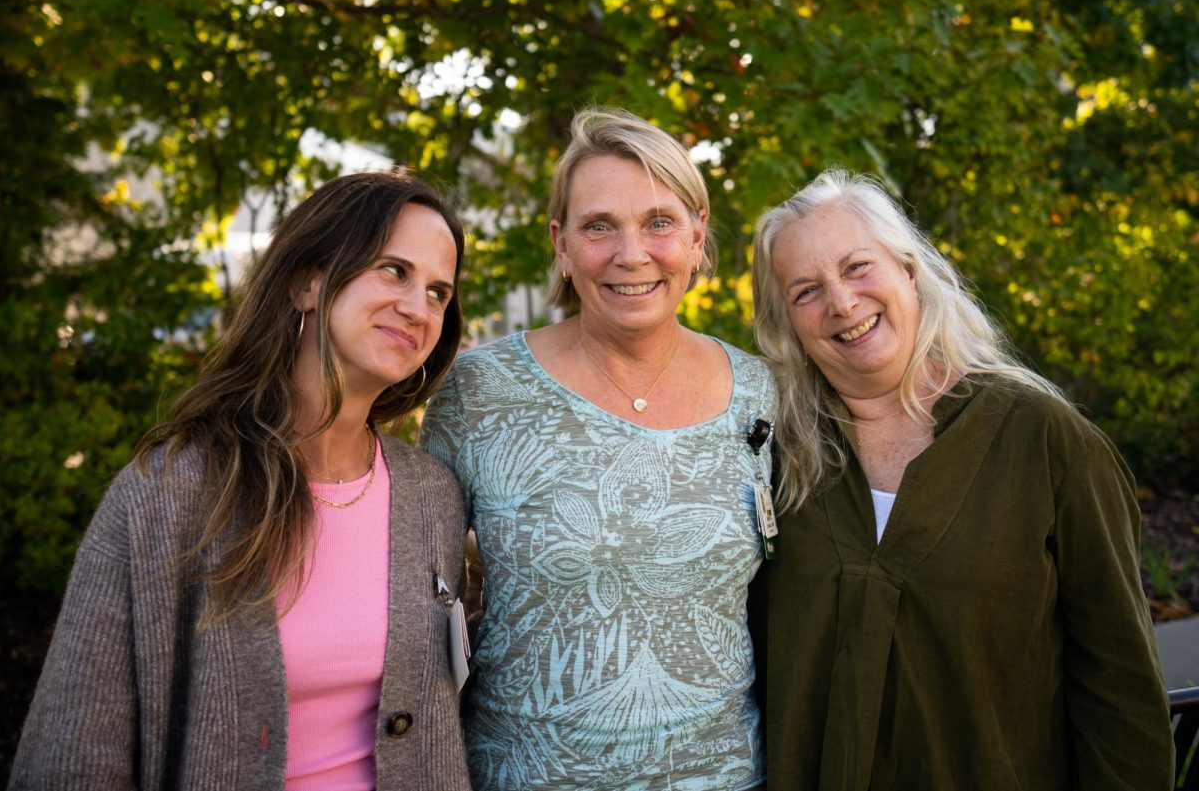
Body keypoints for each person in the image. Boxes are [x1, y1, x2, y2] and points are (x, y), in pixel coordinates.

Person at [10, 171, 472, 791]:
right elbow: (74, 751)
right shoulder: (171, 492)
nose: (419, 307)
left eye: (439, 292)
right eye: (394, 270)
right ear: (306, 282)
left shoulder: (431, 497)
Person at [748, 167, 1174, 790]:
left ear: (909, 271)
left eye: (858, 267)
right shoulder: (778, 456)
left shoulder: (1045, 441)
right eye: (805, 291)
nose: (841, 302)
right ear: (788, 325)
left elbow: (1121, 687)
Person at [420, 107, 776, 791]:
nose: (631, 253)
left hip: (724, 775)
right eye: (598, 226)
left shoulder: (759, 392)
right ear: (560, 243)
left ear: (698, 234)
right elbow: (418, 594)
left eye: (659, 223)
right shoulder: (481, 393)